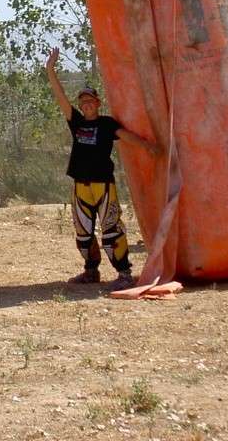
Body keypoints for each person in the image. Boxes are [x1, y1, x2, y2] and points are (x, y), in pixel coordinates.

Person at [45, 47, 159, 292]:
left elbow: (125, 136)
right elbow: (61, 98)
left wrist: (148, 146)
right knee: (83, 232)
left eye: (90, 101)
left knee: (112, 229)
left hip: (103, 186)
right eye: (83, 102)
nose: (86, 105)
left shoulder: (106, 124)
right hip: (80, 187)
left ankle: (124, 273)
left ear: (98, 103)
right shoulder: (75, 123)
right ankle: (91, 271)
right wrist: (50, 70)